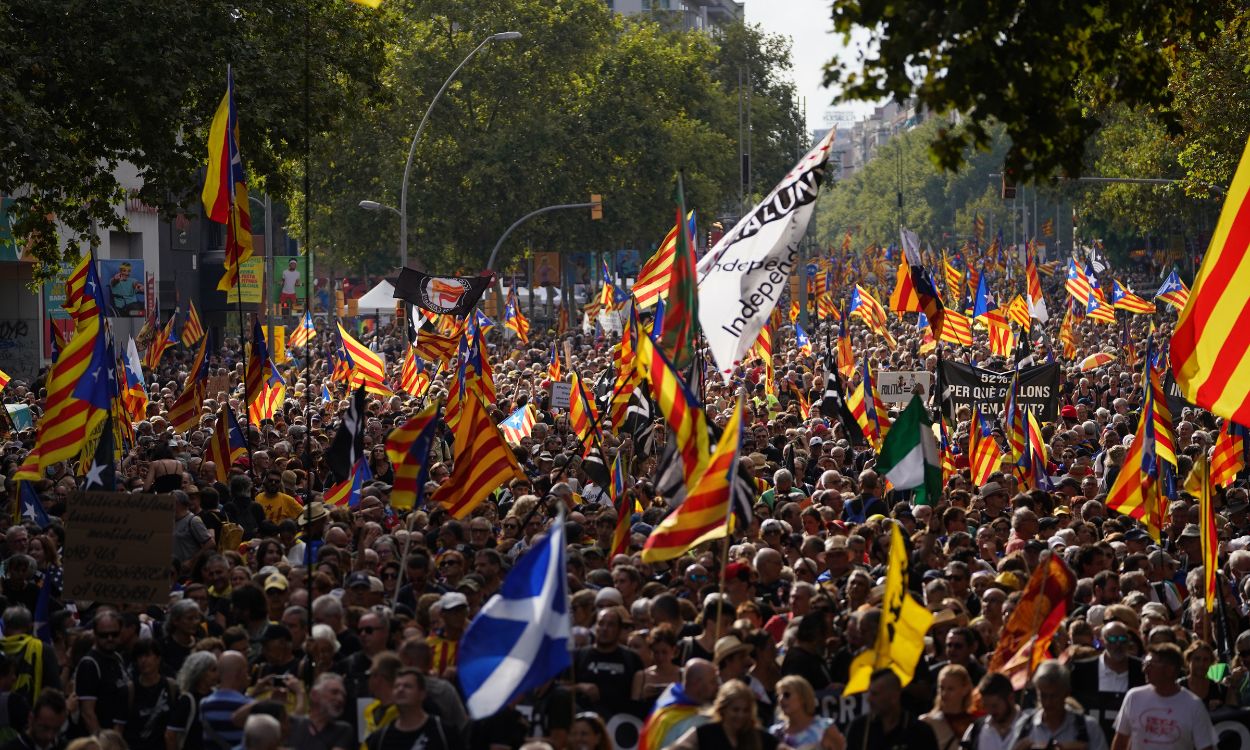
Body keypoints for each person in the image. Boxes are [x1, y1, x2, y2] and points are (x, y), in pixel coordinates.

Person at [1111, 643, 1216, 750]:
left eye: (1150, 664)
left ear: (1169, 669)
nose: (1144, 669)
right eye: (1145, 664)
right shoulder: (1133, 697)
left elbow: (1205, 746)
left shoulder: (1194, 705)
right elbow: (1121, 740)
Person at [1010, 660, 1106, 750]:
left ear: (1066, 693)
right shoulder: (1024, 727)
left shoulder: (1089, 728)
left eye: (1054, 696)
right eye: (1043, 696)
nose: (1048, 702)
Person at [843, 670, 938, 750]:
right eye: (869, 693)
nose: (869, 699)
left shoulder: (919, 731)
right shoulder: (859, 728)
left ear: (894, 697)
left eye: (875, 694)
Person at [671, 681, 780, 750]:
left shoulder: (758, 736)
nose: (740, 715)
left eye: (745, 710)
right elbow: (677, 747)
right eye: (735, 710)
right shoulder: (706, 733)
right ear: (723, 709)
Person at [73, 609, 131, 735]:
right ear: (95, 634)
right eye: (104, 635)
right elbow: (87, 712)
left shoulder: (117, 657)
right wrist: (102, 744)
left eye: (114, 634)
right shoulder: (89, 664)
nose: (110, 638)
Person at [363, 668, 451, 750]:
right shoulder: (380, 738)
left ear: (422, 694)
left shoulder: (443, 732)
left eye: (408, 686)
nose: (400, 689)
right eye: (396, 686)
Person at [768, 675, 844, 749]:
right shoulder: (774, 733)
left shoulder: (825, 728)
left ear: (803, 697)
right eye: (778, 695)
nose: (781, 699)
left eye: (786, 695)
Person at [287, 673, 353, 750]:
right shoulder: (294, 724)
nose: (340, 699)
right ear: (314, 695)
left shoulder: (342, 730)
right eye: (334, 692)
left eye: (343, 695)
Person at [919, 664, 974, 750]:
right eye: (941, 688)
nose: (944, 693)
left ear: (965, 689)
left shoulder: (975, 724)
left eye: (950, 689)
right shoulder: (926, 723)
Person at [959, 672, 1018, 750]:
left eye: (994, 706)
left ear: (1011, 698)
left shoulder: (1032, 727)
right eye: (986, 706)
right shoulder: (976, 730)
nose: (990, 711)